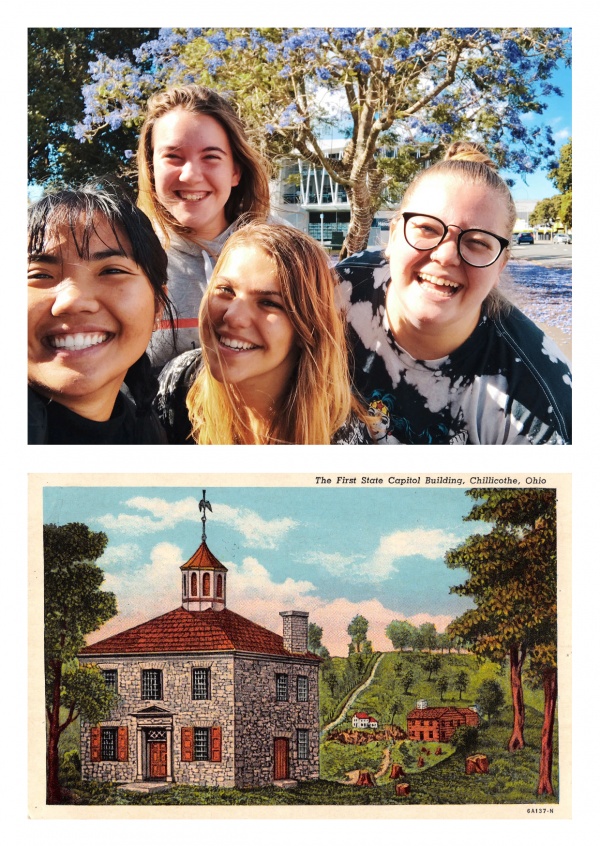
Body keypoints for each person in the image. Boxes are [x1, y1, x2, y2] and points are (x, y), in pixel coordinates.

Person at [336, 142, 572, 444]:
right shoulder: (340, 289)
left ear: (500, 265)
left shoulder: (537, 404)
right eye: (427, 229)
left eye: (477, 241)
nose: (446, 256)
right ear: (394, 236)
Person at [155, 222, 369, 444]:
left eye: (269, 302)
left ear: (307, 327)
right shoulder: (178, 382)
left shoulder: (340, 438)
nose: (233, 316)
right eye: (226, 290)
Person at [137, 84, 271, 368]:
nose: (191, 175)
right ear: (151, 168)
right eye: (173, 157)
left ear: (235, 171)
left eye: (211, 157)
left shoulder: (282, 254)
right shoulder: (126, 259)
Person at [28, 186, 174, 444]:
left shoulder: (148, 433)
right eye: (40, 275)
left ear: (157, 307)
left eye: (111, 271)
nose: (72, 301)